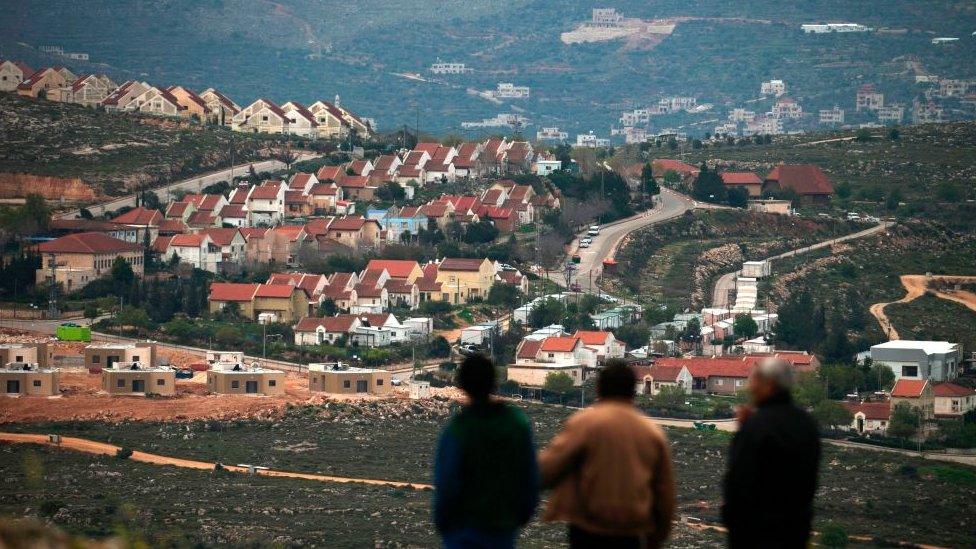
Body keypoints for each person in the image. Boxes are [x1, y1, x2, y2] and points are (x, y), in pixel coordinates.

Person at [538, 359, 676, 549]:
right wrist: (656, 538)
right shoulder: (651, 432)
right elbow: (665, 493)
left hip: (587, 531)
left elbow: (548, 469)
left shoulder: (585, 422)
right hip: (629, 534)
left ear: (599, 389)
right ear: (632, 392)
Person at [433, 354, 538, 548]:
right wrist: (523, 513)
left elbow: (446, 481)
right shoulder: (516, 422)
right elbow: (529, 474)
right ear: (494, 382)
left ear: (462, 385)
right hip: (502, 527)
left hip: (462, 530)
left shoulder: (459, 428)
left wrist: (442, 521)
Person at [722, 357, 821, 549]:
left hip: (757, 534)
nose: (751, 387)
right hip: (795, 532)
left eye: (755, 381)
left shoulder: (757, 426)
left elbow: (739, 482)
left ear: (770, 385)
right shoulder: (807, 424)